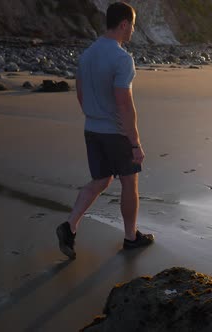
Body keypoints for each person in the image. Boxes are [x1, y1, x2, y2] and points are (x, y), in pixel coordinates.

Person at [56, 2, 154, 259]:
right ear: (123, 24)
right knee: (129, 182)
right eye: (132, 25)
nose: (133, 30)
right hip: (115, 132)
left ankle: (70, 226)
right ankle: (131, 237)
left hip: (92, 128)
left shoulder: (88, 53)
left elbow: (80, 92)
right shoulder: (122, 58)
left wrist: (94, 116)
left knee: (101, 180)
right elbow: (124, 102)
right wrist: (135, 142)